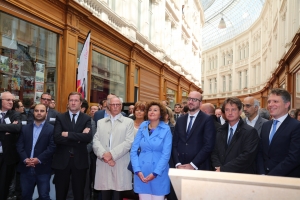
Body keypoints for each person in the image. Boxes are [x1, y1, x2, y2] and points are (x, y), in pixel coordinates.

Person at [52, 92, 92, 200]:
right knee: (60, 193)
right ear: (68, 102)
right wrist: (79, 138)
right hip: (62, 161)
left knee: (79, 194)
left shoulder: (86, 118)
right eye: (71, 100)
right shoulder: (60, 117)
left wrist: (68, 134)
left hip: (80, 161)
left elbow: (88, 138)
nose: (73, 103)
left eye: (76, 100)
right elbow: (57, 138)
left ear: (80, 103)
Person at [93, 96, 134, 200]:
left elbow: (128, 142)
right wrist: (104, 155)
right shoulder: (101, 122)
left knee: (118, 195)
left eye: (118, 104)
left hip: (119, 163)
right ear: (108, 106)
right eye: (113, 105)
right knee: (104, 194)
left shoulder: (128, 122)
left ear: (121, 106)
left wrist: (111, 155)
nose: (115, 107)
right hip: (104, 163)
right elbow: (95, 141)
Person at [130, 101, 172, 200]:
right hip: (141, 173)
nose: (151, 112)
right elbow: (133, 150)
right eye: (149, 110)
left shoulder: (166, 129)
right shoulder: (143, 126)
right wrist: (137, 170)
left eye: (155, 110)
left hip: (158, 173)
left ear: (160, 114)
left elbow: (166, 154)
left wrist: (155, 173)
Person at [16, 104, 56, 200]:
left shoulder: (52, 129)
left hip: (43, 168)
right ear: (33, 112)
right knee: (25, 195)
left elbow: (52, 147)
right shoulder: (25, 128)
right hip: (26, 167)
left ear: (46, 113)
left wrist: (38, 159)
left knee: (44, 196)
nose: (39, 113)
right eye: (36, 110)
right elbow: (19, 145)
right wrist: (26, 159)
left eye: (42, 111)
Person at [257, 88, 300, 177]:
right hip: (263, 176)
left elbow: (293, 158)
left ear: (287, 104)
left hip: (286, 179)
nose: (270, 105)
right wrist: (262, 173)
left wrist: (271, 176)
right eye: (269, 102)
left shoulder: (296, 126)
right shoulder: (266, 125)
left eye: (275, 101)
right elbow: (260, 151)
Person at [211, 97, 260, 173]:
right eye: (227, 110)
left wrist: (223, 169)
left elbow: (246, 157)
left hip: (240, 176)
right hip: (220, 174)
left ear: (240, 111)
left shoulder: (250, 131)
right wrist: (218, 167)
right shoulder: (220, 130)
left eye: (233, 109)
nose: (230, 113)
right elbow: (214, 152)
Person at [172, 91, 216, 171]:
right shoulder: (181, 120)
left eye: (194, 100)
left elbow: (208, 145)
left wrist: (193, 164)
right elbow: (174, 143)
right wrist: (177, 163)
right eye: (189, 99)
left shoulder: (207, 119)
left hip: (198, 167)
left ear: (200, 103)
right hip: (180, 166)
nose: (190, 102)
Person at [0, 92, 22, 200]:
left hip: (7, 156)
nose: (11, 102)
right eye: (8, 100)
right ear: (1, 101)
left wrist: (10, 128)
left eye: (12, 100)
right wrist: (7, 128)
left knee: (4, 185)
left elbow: (16, 129)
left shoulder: (15, 114)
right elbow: (10, 129)